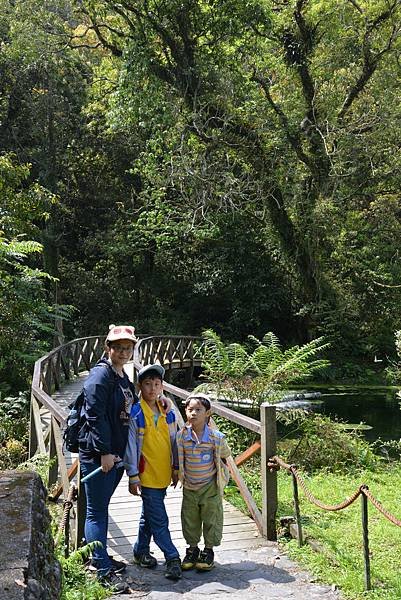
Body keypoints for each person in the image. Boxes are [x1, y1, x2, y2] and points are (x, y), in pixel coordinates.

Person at [78, 324, 139, 594]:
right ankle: (102, 570)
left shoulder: (122, 376)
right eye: (119, 347)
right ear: (108, 348)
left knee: (101, 509)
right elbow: (94, 415)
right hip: (99, 455)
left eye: (128, 348)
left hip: (115, 455)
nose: (124, 351)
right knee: (96, 511)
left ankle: (99, 556)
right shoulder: (100, 375)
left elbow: (128, 409)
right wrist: (104, 452)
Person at [124, 363, 182, 580]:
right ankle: (172, 557)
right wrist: (132, 474)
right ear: (140, 386)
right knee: (159, 519)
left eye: (156, 384)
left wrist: (176, 467)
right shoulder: (136, 412)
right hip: (145, 475)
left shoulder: (168, 410)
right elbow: (130, 445)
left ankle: (140, 551)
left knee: (148, 516)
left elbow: (175, 440)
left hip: (164, 473)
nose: (152, 388)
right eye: (147, 384)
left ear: (162, 386)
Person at [176, 392, 231, 572]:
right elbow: (178, 457)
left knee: (211, 518)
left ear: (208, 413)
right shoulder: (182, 436)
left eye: (198, 409)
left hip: (210, 486)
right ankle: (192, 549)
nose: (193, 413)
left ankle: (208, 551)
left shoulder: (216, 438)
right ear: (185, 412)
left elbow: (225, 454)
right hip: (190, 485)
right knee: (189, 519)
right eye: (190, 409)